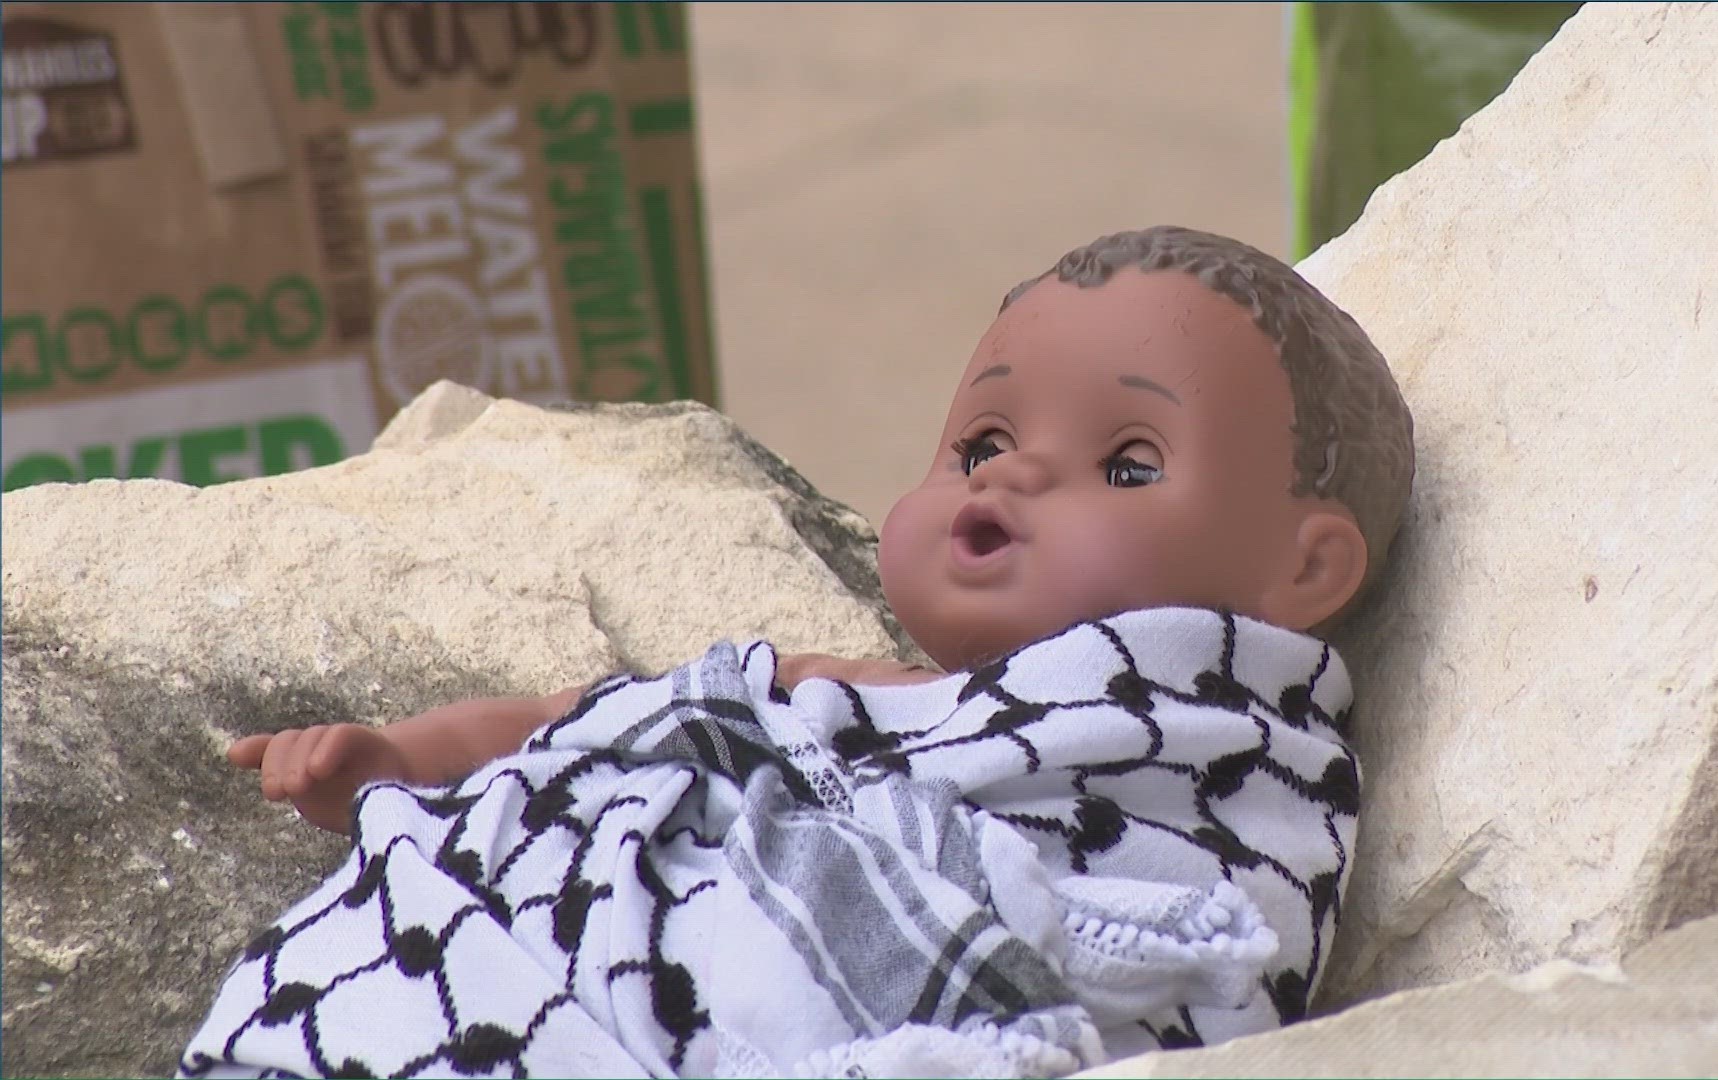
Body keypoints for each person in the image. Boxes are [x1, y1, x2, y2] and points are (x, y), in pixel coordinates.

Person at [191, 226, 1414, 1079]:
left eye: (1127, 463)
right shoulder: (856, 703)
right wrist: (396, 756)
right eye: (980, 443)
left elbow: (1202, 943)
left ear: (1302, 572)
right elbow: (606, 718)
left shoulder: (1225, 775)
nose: (1017, 474)